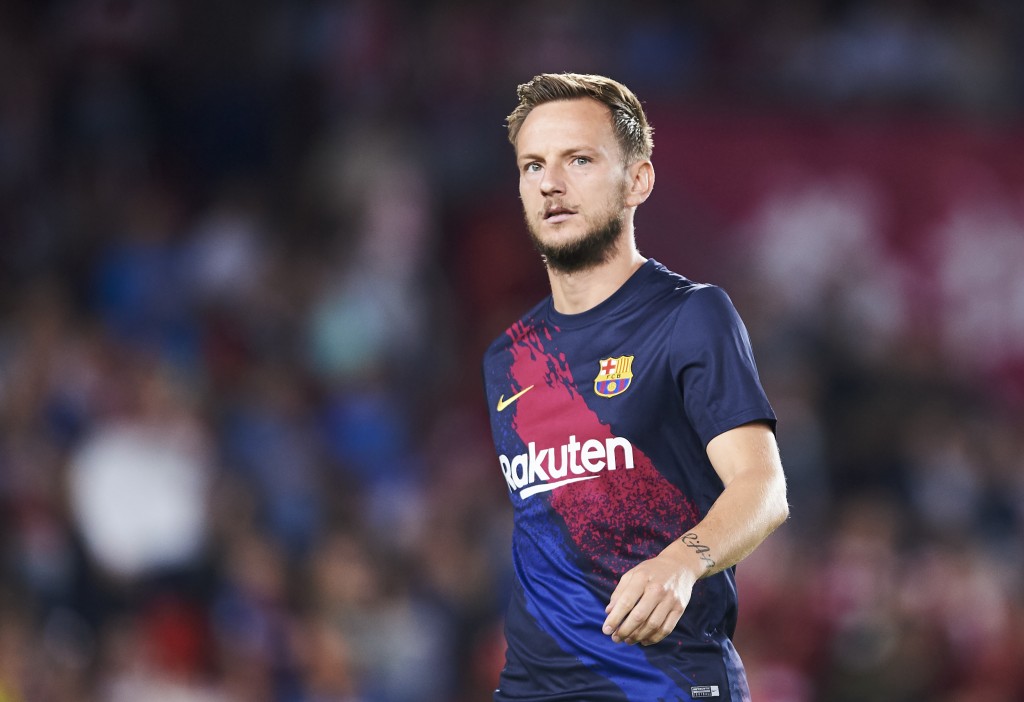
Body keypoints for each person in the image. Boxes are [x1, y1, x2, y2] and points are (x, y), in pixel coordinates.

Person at [482, 72, 789, 701]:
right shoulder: (506, 358)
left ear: (638, 180)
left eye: (580, 160)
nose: (551, 183)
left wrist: (682, 561)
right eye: (533, 165)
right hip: (532, 687)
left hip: (667, 680)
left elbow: (764, 488)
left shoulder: (690, 315)